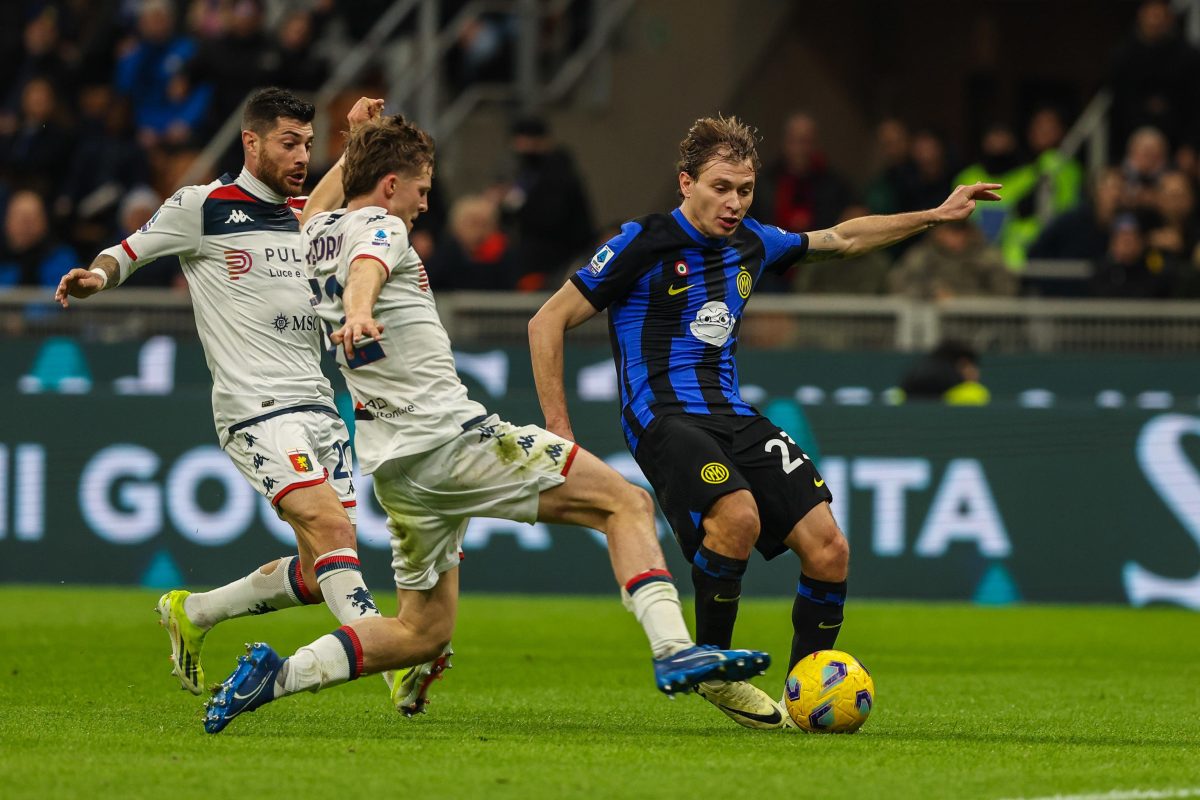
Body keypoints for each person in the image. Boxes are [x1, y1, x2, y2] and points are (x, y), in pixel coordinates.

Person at [200, 112, 771, 735]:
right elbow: (370, 263)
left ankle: (275, 675)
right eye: (421, 189)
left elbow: (322, 207)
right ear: (390, 186)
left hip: (394, 466)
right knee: (625, 504)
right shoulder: (384, 227)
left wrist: (354, 145)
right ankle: (674, 650)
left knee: (421, 633)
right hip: (452, 441)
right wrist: (360, 310)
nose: (425, 204)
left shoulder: (316, 231)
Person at [527, 115, 1000, 729]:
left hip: (732, 414)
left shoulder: (753, 240)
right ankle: (713, 666)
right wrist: (560, 430)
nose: (734, 203)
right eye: (720, 187)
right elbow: (547, 321)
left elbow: (843, 239)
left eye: (745, 190)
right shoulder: (642, 242)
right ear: (686, 183)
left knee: (829, 549)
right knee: (738, 515)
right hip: (662, 416)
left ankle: (806, 697)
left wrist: (935, 215)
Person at [54, 88, 385, 702]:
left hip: (319, 405)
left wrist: (359, 136)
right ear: (251, 142)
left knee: (319, 573)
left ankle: (196, 612)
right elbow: (127, 252)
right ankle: (392, 659)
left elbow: (338, 191)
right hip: (255, 408)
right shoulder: (203, 206)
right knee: (332, 528)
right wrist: (96, 277)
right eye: (289, 143)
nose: (301, 156)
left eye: (309, 144)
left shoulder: (308, 215)